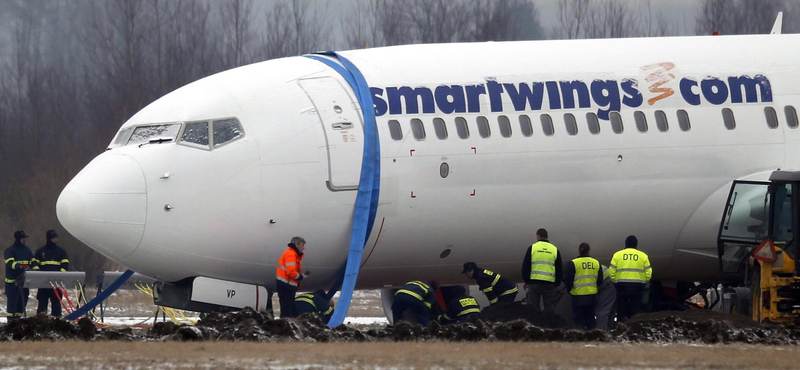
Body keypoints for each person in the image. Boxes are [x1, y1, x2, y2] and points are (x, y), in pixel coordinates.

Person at [609, 235, 652, 322]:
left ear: (626, 243)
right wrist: (644, 282)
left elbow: (611, 271)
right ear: (636, 244)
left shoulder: (617, 255)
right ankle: (634, 328)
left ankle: (620, 328)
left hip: (621, 286)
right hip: (637, 286)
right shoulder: (643, 256)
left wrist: (615, 282)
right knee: (635, 309)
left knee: (621, 309)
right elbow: (648, 272)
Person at [522, 228, 563, 314]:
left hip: (534, 283)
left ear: (537, 236)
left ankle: (535, 326)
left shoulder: (532, 248)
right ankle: (549, 326)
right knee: (549, 309)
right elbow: (559, 269)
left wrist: (527, 281)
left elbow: (525, 266)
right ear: (547, 237)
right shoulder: (554, 249)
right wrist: (557, 283)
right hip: (550, 284)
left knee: (533, 309)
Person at [564, 243, 603, 329]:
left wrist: (570, 290)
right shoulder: (596, 263)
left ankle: (579, 338)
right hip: (591, 296)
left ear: (579, 251)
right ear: (589, 251)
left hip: (577, 296)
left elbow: (568, 280)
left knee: (578, 320)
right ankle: (592, 337)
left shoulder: (573, 263)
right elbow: (600, 280)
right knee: (590, 318)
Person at [32, 230, 69, 317]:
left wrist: (61, 275)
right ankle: (40, 322)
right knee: (42, 303)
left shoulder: (61, 251)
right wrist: (38, 273)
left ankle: (57, 322)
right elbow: (34, 263)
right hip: (43, 283)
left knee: (56, 303)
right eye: (53, 238)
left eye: (56, 238)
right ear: (49, 238)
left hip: (56, 283)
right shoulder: (40, 251)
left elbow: (65, 264)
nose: (55, 240)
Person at [276, 236, 309, 319]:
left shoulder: (292, 254)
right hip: (286, 286)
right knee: (287, 310)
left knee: (288, 309)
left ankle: (287, 325)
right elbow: (291, 272)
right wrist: (301, 277)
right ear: (297, 245)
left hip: (286, 285)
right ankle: (285, 326)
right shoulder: (291, 255)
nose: (303, 248)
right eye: (302, 245)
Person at [5, 230, 34, 321]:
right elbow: (9, 263)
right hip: (12, 281)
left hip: (23, 280)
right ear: (18, 239)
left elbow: (32, 260)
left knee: (23, 300)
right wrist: (20, 266)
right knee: (13, 301)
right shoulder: (10, 250)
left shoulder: (26, 250)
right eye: (23, 238)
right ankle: (11, 319)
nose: (24, 240)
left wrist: (35, 267)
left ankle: (18, 318)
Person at [595, 264, 617, 329]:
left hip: (607, 282)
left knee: (602, 311)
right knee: (609, 310)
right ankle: (610, 329)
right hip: (609, 280)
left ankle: (601, 332)